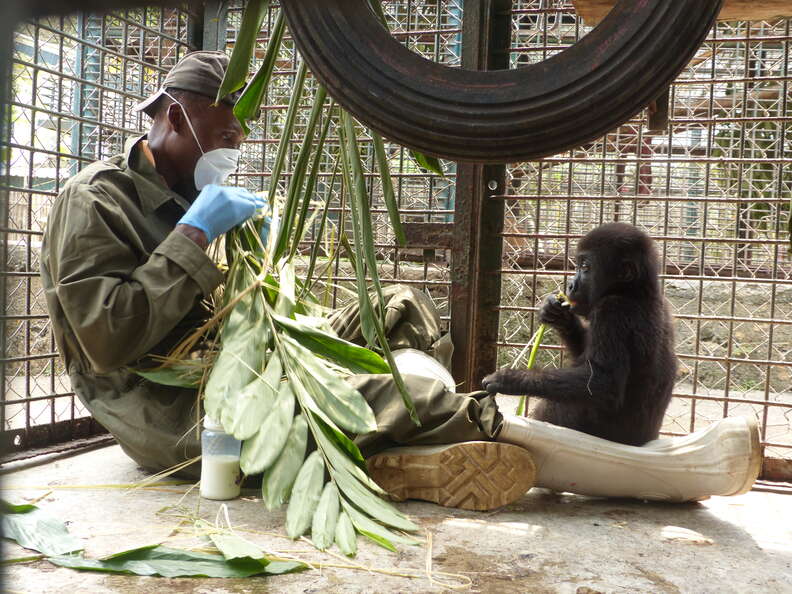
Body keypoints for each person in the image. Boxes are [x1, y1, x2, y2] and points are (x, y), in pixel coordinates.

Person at [41, 51, 760, 511]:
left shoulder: (193, 186)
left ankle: (404, 453)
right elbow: (108, 338)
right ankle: (677, 474)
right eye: (226, 129)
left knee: (400, 308)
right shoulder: (94, 199)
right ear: (173, 115)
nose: (238, 142)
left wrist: (269, 271)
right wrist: (197, 235)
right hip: (178, 409)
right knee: (418, 387)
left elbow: (242, 308)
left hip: (244, 358)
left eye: (243, 133)